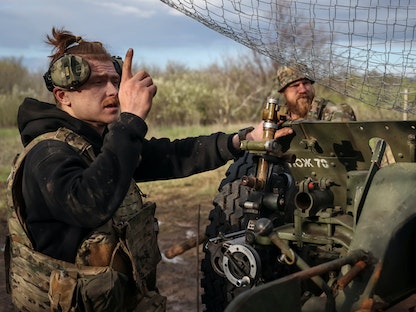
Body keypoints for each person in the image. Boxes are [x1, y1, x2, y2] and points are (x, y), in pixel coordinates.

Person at [5, 28, 293, 312]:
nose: (112, 91)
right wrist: (129, 120)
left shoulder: (98, 145)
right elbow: (88, 203)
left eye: (115, 81)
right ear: (63, 95)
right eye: (97, 82)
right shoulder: (48, 154)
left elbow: (173, 155)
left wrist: (243, 140)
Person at [276, 63, 357, 121]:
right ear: (283, 92)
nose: (303, 90)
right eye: (295, 85)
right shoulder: (277, 117)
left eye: (305, 83)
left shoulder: (331, 112)